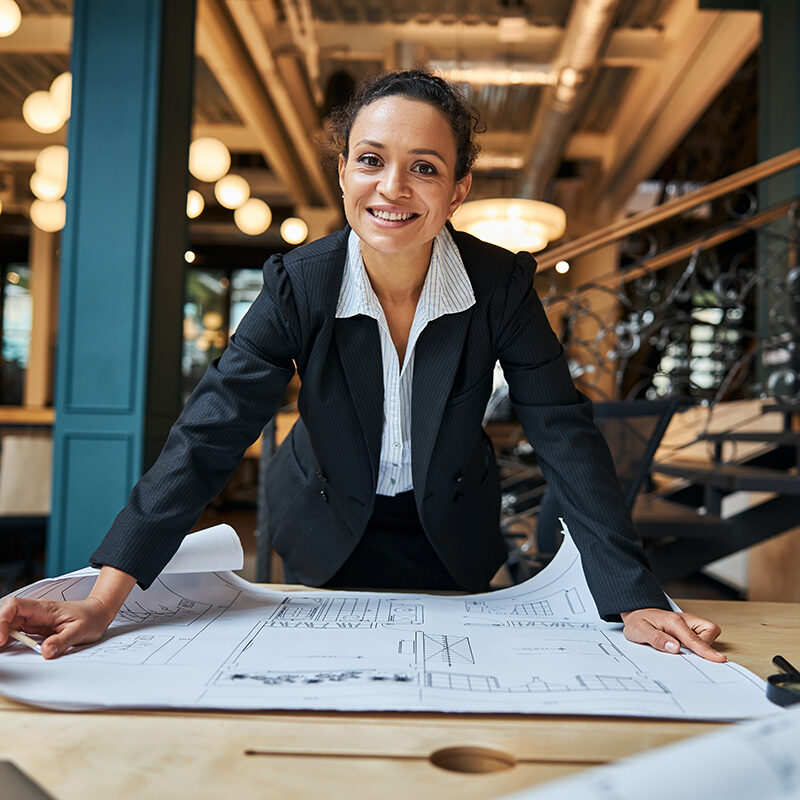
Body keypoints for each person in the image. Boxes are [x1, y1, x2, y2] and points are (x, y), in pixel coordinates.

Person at [0, 70, 724, 663]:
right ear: (343, 171)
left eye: (425, 169)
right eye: (372, 160)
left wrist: (632, 593)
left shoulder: (500, 284)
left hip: (453, 525)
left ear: (458, 190)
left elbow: (563, 431)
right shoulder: (297, 283)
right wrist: (104, 596)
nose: (393, 188)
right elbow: (207, 436)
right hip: (321, 517)